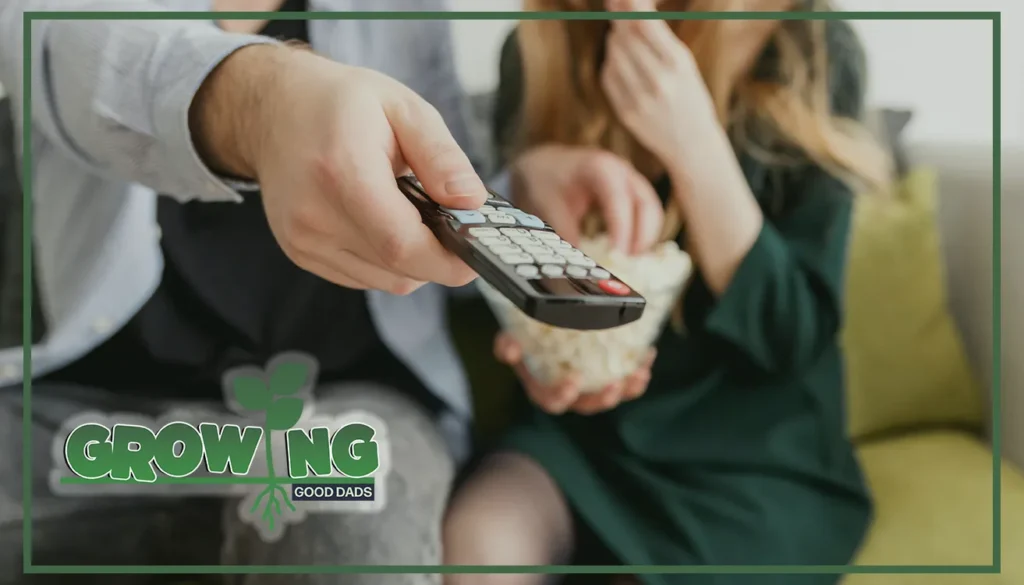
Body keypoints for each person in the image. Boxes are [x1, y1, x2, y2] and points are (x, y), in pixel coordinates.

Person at [0, 0, 668, 583]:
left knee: (351, 521)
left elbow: (436, 183)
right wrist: (265, 104)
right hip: (86, 409)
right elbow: (64, 48)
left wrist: (520, 183)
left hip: (338, 412)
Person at [442, 0, 894, 583]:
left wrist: (694, 144)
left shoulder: (809, 44)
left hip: (754, 457)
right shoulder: (534, 52)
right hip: (584, 443)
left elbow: (792, 334)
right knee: (475, 544)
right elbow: (533, 295)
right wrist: (545, 354)